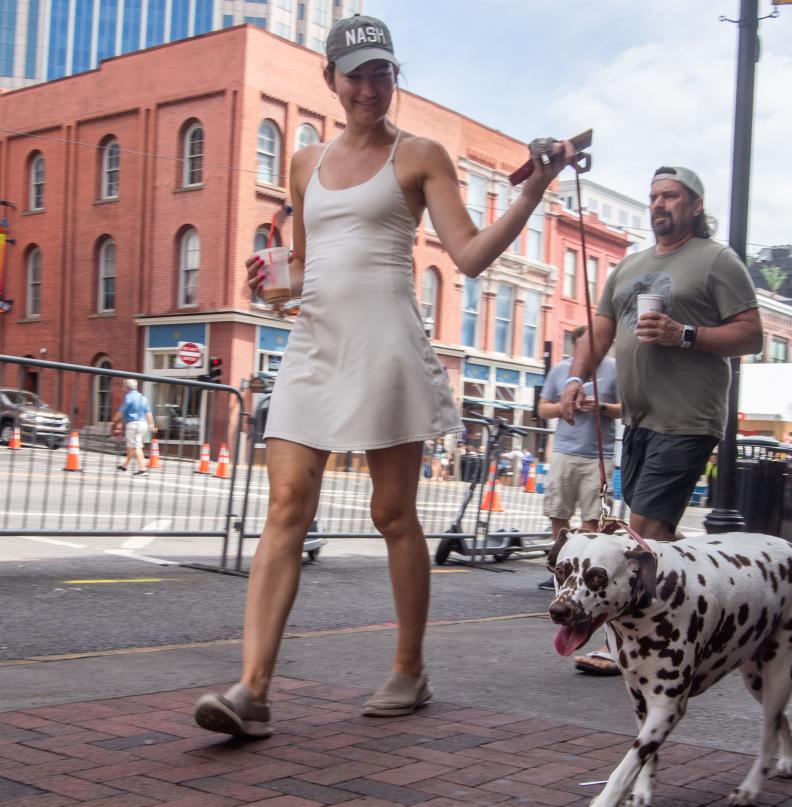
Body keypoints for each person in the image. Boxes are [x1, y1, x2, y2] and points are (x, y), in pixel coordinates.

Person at [193, 14, 576, 739]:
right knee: (285, 508)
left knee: (393, 514)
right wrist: (272, 287)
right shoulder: (305, 163)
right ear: (330, 81)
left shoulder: (421, 154)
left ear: (394, 76)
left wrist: (533, 193)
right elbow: (303, 268)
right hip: (313, 346)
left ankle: (409, 667)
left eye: (381, 73)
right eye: (355, 74)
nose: (369, 87)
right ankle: (252, 690)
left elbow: (466, 254)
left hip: (386, 347)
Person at [559, 166, 763, 541]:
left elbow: (752, 336)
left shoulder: (717, 260)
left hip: (687, 419)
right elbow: (599, 331)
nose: (658, 204)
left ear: (696, 205)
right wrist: (575, 377)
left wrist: (684, 334)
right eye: (653, 197)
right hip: (639, 420)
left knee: (644, 528)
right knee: (656, 534)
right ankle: (708, 585)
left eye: (669, 196)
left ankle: (660, 597)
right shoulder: (629, 265)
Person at [537, 327, 620, 590]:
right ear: (575, 346)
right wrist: (565, 406)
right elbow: (542, 408)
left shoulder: (615, 369)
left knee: (592, 518)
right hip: (564, 450)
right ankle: (562, 568)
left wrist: (600, 407)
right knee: (558, 512)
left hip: (599, 454)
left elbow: (626, 408)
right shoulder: (560, 370)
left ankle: (582, 571)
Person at [111, 379, 154, 476]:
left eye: (123, 386)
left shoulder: (128, 397)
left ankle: (143, 469)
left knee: (136, 446)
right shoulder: (143, 397)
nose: (123, 388)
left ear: (126, 387)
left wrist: (113, 420)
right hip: (143, 424)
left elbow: (121, 412)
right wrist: (151, 424)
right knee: (131, 446)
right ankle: (125, 466)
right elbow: (149, 412)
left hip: (133, 425)